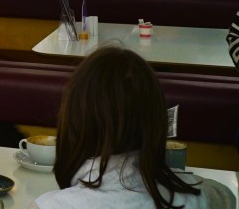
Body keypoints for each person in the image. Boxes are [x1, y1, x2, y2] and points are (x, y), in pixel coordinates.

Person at [30, 46, 235, 209]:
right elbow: (227, 196)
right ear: (157, 122)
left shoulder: (49, 205)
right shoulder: (207, 197)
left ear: (74, 124)